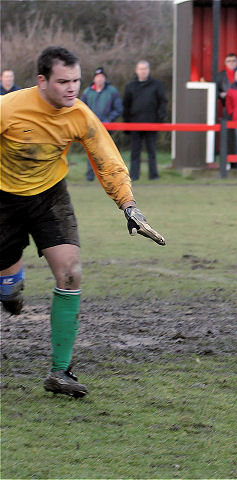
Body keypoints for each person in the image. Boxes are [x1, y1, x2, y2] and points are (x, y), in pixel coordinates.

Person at [0, 46, 166, 398]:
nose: (72, 88)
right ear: (42, 81)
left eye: (76, 80)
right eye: (63, 82)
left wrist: (128, 205)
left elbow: (107, 160)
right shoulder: (9, 108)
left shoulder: (81, 115)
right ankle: (9, 287)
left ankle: (60, 371)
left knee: (72, 272)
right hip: (4, 199)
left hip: (49, 196)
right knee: (8, 287)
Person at [123, 60, 168, 181]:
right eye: (140, 69)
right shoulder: (130, 86)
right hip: (134, 124)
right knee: (134, 152)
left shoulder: (157, 85)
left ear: (148, 70)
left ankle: (153, 176)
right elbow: (126, 106)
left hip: (152, 124)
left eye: (145, 69)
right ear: (136, 70)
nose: (143, 71)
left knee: (152, 151)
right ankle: (133, 175)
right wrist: (127, 124)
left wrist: (159, 120)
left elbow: (162, 103)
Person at [80, 67, 123, 182]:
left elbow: (118, 109)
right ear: (94, 78)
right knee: (91, 151)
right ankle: (90, 176)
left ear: (105, 78)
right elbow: (81, 109)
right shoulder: (87, 92)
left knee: (106, 152)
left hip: (106, 128)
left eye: (102, 77)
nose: (99, 79)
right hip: (91, 127)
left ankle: (108, 177)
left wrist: (108, 119)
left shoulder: (112, 92)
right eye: (97, 77)